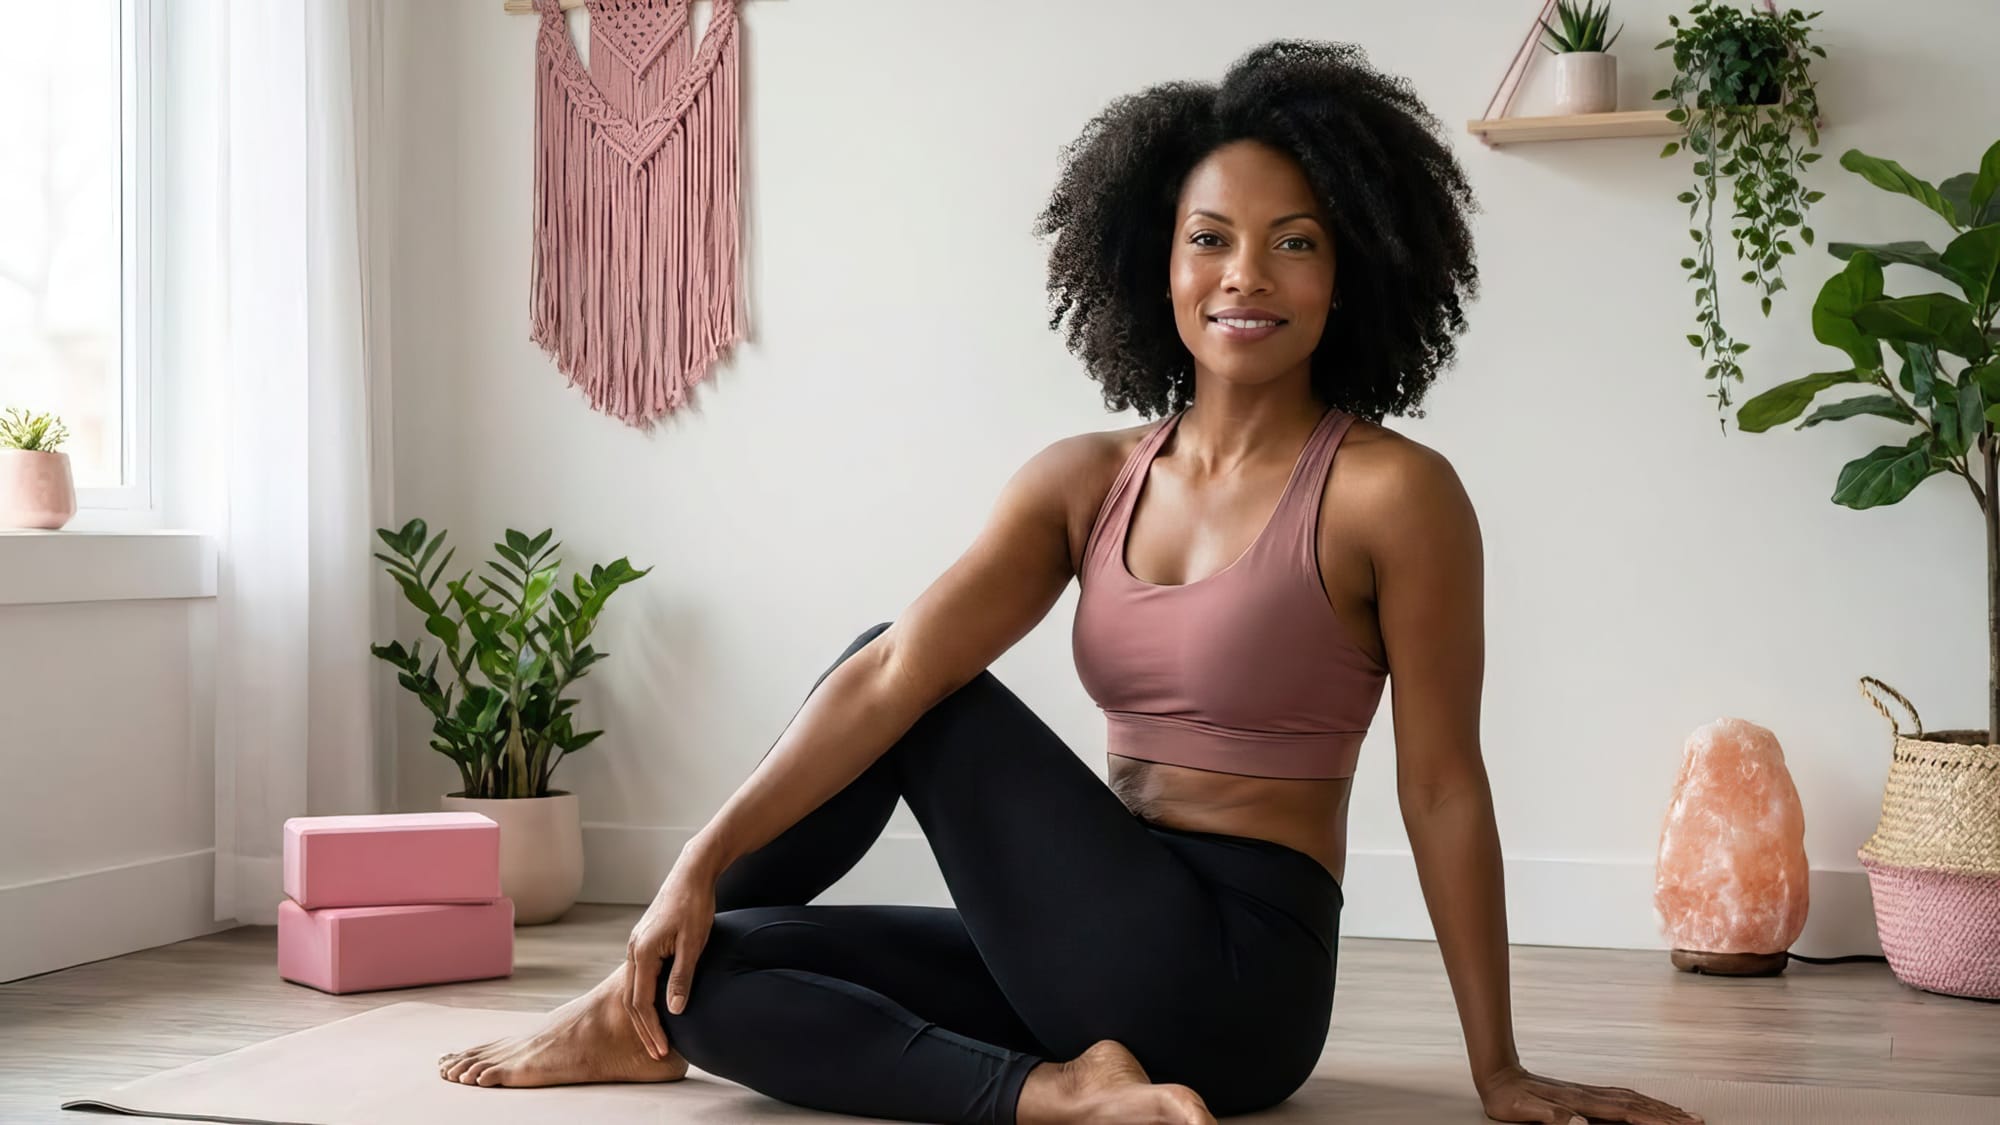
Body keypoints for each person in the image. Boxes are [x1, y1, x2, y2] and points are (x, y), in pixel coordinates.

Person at [437, 39, 1704, 1125]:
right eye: (1209, 240)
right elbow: (882, 679)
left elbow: (1440, 785)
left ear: (1351, 269)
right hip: (1084, 941)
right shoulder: (1085, 477)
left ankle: (990, 1078)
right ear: (1155, 262)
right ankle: (1046, 1089)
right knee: (706, 974)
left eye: (1292, 243)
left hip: (1234, 978)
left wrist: (1499, 1067)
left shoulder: (1391, 493)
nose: (1243, 277)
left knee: (913, 681)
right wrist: (694, 871)